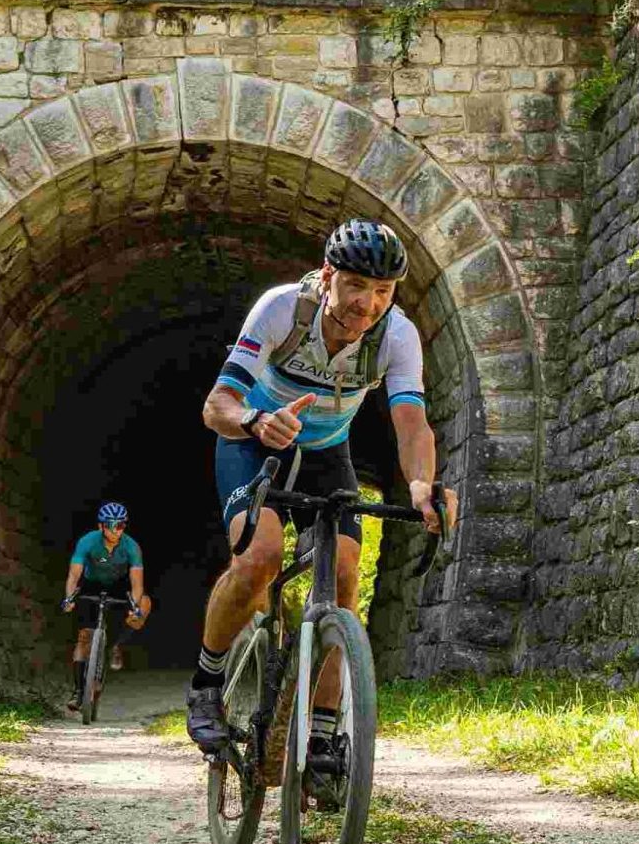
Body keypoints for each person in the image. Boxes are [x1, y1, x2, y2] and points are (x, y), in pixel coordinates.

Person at [186, 218, 458, 754]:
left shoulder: (396, 335)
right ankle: (207, 684)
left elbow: (411, 422)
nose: (368, 304)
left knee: (346, 578)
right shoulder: (282, 309)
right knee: (259, 557)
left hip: (328, 452)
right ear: (328, 275)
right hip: (256, 440)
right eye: (356, 286)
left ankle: (326, 734)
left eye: (383, 291)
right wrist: (255, 422)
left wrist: (423, 484)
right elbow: (215, 406)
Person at [61, 502, 151, 710]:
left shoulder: (131, 546)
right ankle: (78, 691)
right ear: (101, 526)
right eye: (112, 525)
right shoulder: (88, 542)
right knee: (84, 637)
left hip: (119, 586)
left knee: (144, 604)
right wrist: (69, 598)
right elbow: (74, 575)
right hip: (91, 585)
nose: (117, 530)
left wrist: (134, 606)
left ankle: (116, 644)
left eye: (121, 525)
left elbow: (137, 582)